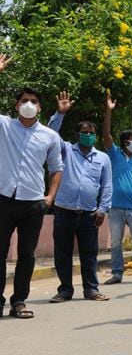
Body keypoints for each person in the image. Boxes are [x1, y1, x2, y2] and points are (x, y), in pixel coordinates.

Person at [0, 56, 64, 319]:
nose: (29, 104)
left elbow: (57, 168)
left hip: (33, 203)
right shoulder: (4, 126)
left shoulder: (49, 135)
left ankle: (19, 301)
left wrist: (49, 197)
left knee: (26, 255)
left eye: (33, 102)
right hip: (3, 198)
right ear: (17, 106)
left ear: (39, 108)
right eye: (24, 101)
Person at [47, 91, 112, 303]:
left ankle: (91, 290)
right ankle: (65, 290)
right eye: (85, 132)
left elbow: (107, 185)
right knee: (63, 254)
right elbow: (49, 134)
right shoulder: (65, 150)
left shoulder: (102, 158)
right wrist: (60, 113)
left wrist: (102, 209)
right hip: (64, 211)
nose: (89, 135)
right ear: (78, 134)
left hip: (89, 214)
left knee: (89, 254)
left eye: (92, 132)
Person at [101, 93, 132, 285]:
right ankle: (117, 273)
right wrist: (109, 110)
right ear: (124, 142)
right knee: (115, 243)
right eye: (131, 139)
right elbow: (106, 134)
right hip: (115, 208)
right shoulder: (114, 155)